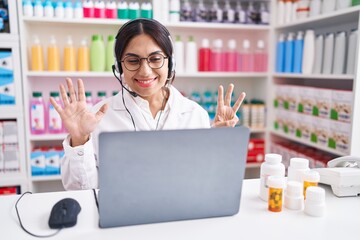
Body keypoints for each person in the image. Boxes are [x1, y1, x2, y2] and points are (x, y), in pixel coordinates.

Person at [50, 18, 246, 190]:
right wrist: (79, 139)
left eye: (155, 59)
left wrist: (220, 144)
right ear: (119, 67)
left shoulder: (195, 114)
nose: (145, 71)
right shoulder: (97, 117)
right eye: (133, 60)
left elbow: (207, 182)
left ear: (170, 63)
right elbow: (80, 190)